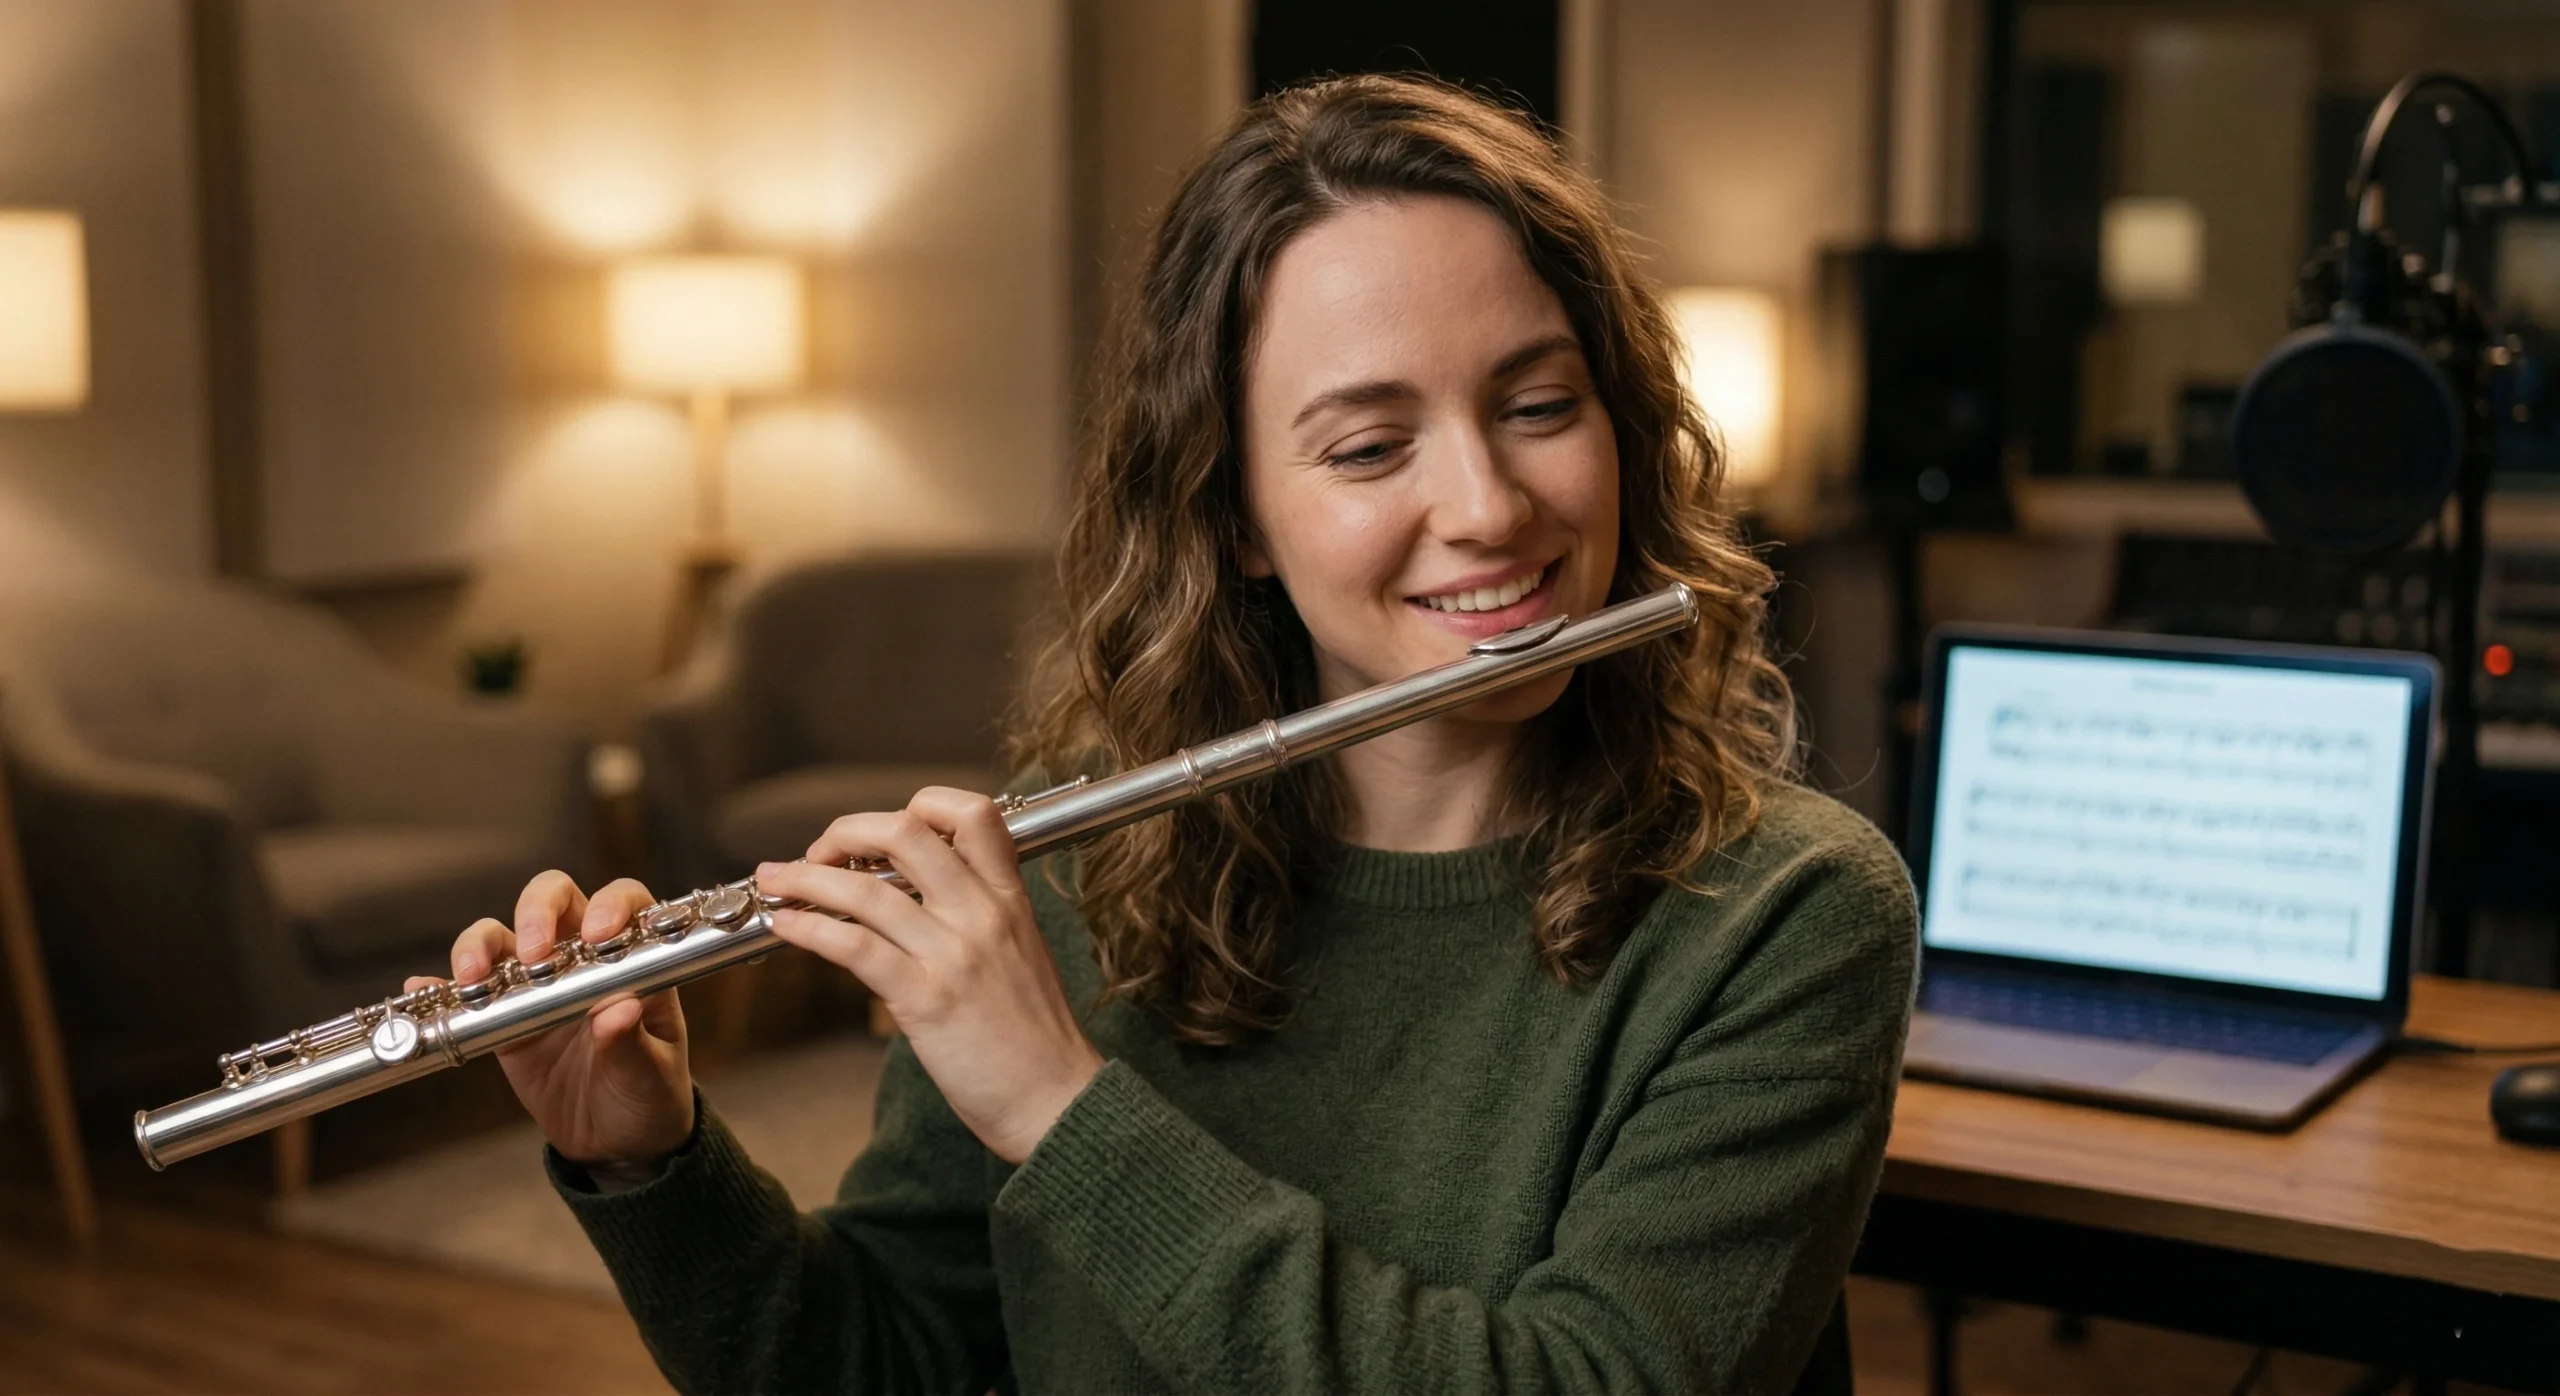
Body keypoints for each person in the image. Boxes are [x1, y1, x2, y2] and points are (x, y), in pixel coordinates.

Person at [426, 74, 1918, 1395]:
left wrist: (1059, 1107)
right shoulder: (1077, 855)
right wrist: (647, 1156)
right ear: (1238, 518)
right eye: (1370, 447)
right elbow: (876, 1363)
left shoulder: (1786, 914)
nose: (1487, 506)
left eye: (1538, 405)